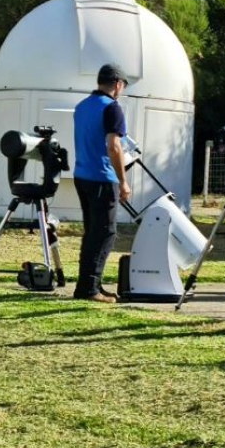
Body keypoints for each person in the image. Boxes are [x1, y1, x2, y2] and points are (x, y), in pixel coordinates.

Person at [72, 63, 132, 303]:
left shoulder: (82, 106)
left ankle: (89, 284)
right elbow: (113, 145)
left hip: (82, 175)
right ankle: (88, 290)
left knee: (92, 234)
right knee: (105, 233)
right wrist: (123, 181)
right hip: (102, 178)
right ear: (117, 85)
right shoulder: (112, 108)